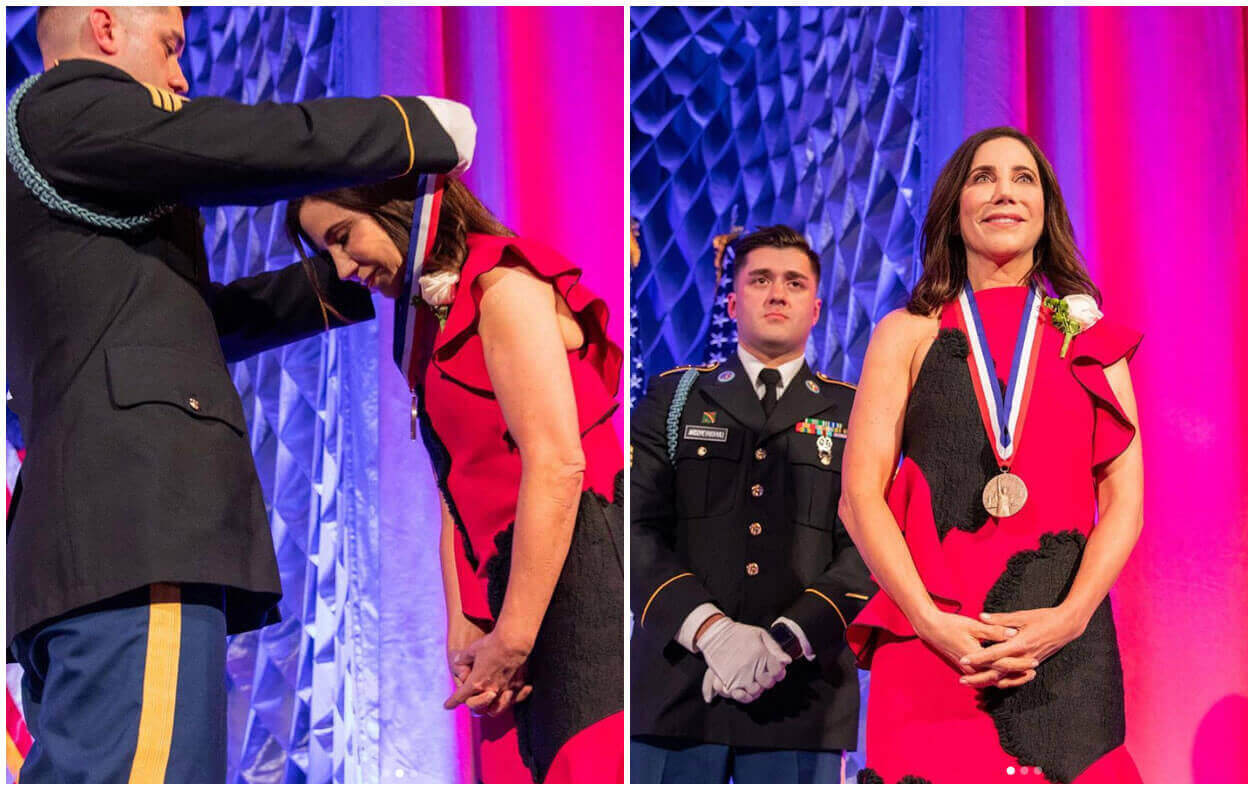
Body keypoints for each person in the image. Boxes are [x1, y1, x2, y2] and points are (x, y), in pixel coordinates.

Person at [6, 6, 475, 783]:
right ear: (105, 29)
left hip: (95, 546)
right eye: (170, 47)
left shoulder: (65, 177)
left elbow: (174, 329)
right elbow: (228, 142)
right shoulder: (67, 107)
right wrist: (411, 128)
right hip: (132, 528)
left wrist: (338, 279)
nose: (181, 77)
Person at [288, 175, 625, 783]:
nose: (341, 268)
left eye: (343, 237)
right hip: (508, 595)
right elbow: (453, 486)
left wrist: (513, 638)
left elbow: (558, 465)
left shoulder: (505, 286)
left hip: (579, 574)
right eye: (326, 252)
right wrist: (465, 626)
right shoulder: (429, 319)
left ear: (397, 206)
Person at [840, 127, 1143, 783]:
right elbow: (859, 497)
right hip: (933, 645)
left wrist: (1070, 619)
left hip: (1061, 645)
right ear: (955, 208)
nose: (1005, 192)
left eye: (1023, 178)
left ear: (1045, 209)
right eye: (983, 178)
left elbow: (1125, 502)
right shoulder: (907, 333)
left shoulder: (1093, 341)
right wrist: (929, 621)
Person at [629, 225, 877, 783]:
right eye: (760, 280)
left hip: (801, 703)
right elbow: (635, 528)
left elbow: (868, 548)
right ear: (733, 301)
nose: (777, 294)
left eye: (794, 282)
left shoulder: (856, 412)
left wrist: (784, 640)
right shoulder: (675, 398)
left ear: (816, 309)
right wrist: (712, 632)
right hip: (676, 696)